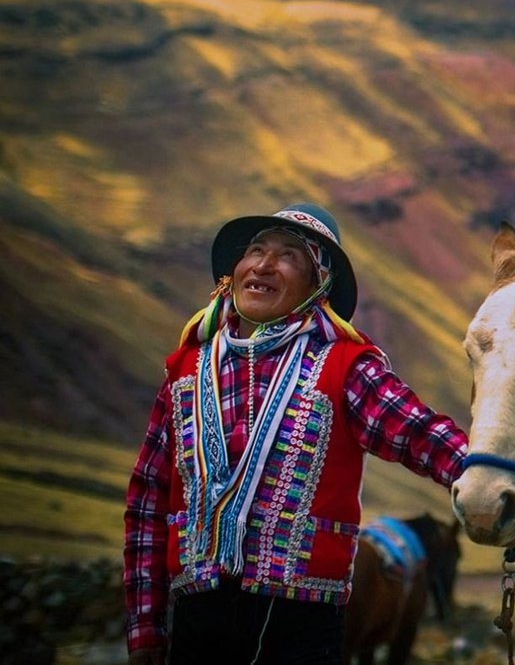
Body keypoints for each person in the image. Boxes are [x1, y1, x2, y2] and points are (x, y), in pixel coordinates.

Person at [123, 203, 469, 665]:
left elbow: (417, 433)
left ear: (318, 284)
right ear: (232, 274)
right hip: (196, 617)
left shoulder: (347, 368)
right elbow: (148, 500)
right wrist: (146, 627)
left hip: (301, 622)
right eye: (255, 250)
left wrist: (494, 478)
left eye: (289, 256)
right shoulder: (184, 371)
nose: (263, 265)